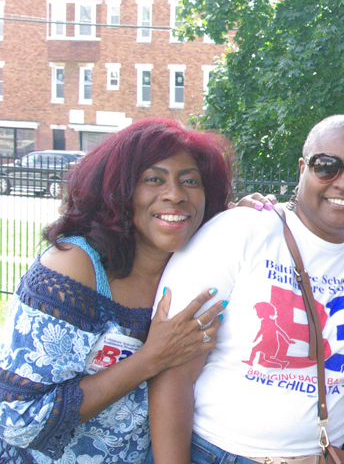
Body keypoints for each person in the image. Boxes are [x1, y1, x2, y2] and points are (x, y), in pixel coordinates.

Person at [148, 115, 344, 464]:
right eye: (326, 167)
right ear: (303, 169)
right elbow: (172, 371)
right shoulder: (241, 232)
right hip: (219, 453)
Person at [0, 118, 232, 463]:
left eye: (190, 181)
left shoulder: (198, 266)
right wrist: (151, 358)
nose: (175, 194)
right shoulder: (74, 267)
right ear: (120, 191)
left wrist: (248, 220)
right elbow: (19, 421)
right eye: (154, 179)